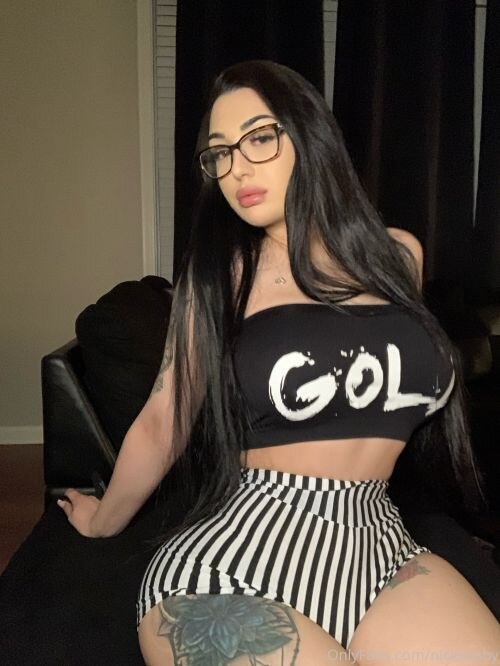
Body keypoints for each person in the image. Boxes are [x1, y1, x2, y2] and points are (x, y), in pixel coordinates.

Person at [58, 60, 500, 665]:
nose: (237, 168)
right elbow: (165, 419)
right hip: (237, 562)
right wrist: (105, 521)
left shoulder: (399, 256)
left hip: (378, 548)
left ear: (309, 135)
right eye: (219, 153)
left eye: (259, 137)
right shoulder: (219, 277)